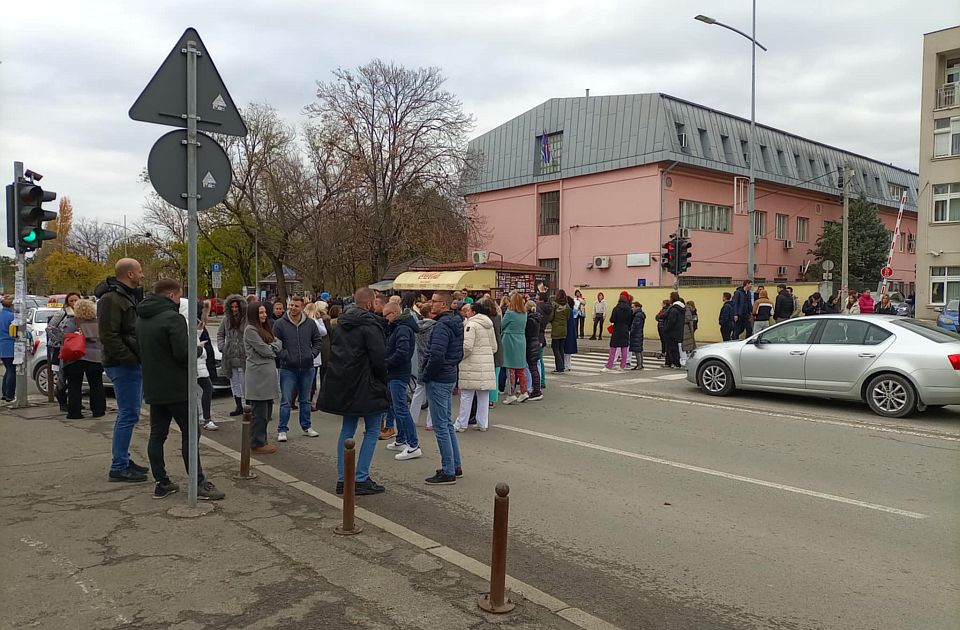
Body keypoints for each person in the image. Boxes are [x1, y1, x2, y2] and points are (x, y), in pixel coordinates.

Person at [137, 279, 224, 501]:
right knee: (190, 433)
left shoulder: (142, 318)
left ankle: (161, 481)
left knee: (157, 434)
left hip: (154, 386)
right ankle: (198, 481)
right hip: (177, 386)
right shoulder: (172, 318)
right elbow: (182, 353)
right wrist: (195, 350)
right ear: (172, 295)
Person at [318, 288, 389, 495]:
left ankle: (343, 477)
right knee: (373, 429)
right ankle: (360, 478)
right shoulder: (371, 325)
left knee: (347, 430)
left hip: (345, 381)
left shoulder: (341, 323)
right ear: (369, 304)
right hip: (367, 383)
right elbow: (379, 358)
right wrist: (384, 380)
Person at [96, 258, 148, 483]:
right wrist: (130, 359)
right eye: (139, 271)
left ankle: (123, 459)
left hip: (130, 362)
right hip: (122, 364)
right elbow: (109, 336)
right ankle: (119, 465)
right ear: (129, 274)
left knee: (129, 414)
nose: (142, 275)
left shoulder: (127, 296)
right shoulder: (111, 299)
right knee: (128, 414)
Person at [421, 291, 464, 485]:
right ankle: (454, 465)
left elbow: (436, 355)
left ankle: (448, 470)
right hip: (449, 375)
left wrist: (427, 374)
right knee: (446, 423)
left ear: (444, 305)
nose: (431, 304)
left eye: (435, 301)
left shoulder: (441, 327)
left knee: (441, 426)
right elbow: (458, 353)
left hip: (439, 378)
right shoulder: (455, 323)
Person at [273, 295, 323, 442]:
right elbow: (276, 344)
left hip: (307, 367)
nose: (293, 308)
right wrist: (285, 356)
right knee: (286, 400)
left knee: (305, 400)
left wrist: (312, 354)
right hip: (288, 368)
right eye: (291, 305)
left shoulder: (310, 323)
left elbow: (317, 341)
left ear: (302, 307)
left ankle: (306, 426)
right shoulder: (280, 324)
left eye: (296, 306)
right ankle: (282, 429)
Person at [383, 302, 421, 461]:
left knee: (401, 409)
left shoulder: (403, 329)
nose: (386, 319)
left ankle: (413, 445)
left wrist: (386, 362)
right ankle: (401, 439)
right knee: (396, 406)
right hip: (395, 372)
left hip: (398, 373)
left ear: (394, 313)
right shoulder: (399, 327)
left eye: (387, 315)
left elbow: (402, 353)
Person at [244, 302, 282, 455]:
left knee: (267, 413)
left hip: (268, 377)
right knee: (259, 413)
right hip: (258, 377)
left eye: (265, 312)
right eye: (260, 313)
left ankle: (262, 440)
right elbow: (266, 350)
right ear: (254, 314)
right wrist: (274, 348)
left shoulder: (265, 329)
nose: (264, 315)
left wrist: (273, 347)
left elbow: (279, 342)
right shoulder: (250, 330)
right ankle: (257, 442)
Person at [454, 301, 497, 431]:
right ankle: (482, 423)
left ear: (474, 312)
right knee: (483, 396)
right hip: (486, 363)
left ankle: (461, 423)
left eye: (468, 311)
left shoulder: (471, 325)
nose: (466, 313)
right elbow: (494, 347)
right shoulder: (489, 324)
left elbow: (467, 346)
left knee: (467, 395)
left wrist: (460, 357)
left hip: (471, 364)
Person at [61, 299, 106, 420]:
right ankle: (98, 410)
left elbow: (64, 336)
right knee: (96, 384)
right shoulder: (99, 322)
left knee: (74, 385)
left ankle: (74, 413)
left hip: (76, 356)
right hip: (96, 357)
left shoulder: (73, 322)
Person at [46, 291, 82, 411]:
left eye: (76, 300)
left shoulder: (82, 313)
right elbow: (50, 328)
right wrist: (61, 339)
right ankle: (62, 401)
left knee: (75, 378)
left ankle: (75, 402)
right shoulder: (62, 313)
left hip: (76, 349)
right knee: (61, 377)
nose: (74, 303)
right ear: (67, 302)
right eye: (71, 301)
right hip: (60, 349)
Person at [217, 294, 248, 417]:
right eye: (232, 307)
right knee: (234, 382)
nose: (234, 309)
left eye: (237, 307)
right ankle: (238, 405)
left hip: (243, 355)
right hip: (230, 356)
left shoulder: (246, 319)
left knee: (244, 381)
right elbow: (220, 334)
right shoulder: (226, 319)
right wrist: (222, 347)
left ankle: (248, 405)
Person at [410, 301, 437, 431]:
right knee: (432, 394)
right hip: (430, 361)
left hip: (421, 360)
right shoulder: (435, 326)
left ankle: (412, 418)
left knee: (418, 392)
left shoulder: (417, 327)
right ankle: (430, 422)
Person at [500, 292, 528, 404]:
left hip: (509, 339)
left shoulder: (510, 313)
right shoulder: (524, 313)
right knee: (521, 368)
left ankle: (511, 393)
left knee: (510, 367)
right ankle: (524, 391)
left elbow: (502, 325)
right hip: (521, 339)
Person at [196, 302, 218, 431]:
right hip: (198, 365)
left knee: (201, 391)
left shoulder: (200, 327)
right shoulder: (194, 325)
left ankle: (202, 416)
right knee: (205, 389)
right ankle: (205, 418)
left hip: (201, 365)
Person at [603, 292, 632, 372]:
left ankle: (609, 365)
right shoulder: (629, 309)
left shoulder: (616, 308)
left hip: (617, 329)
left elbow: (612, 319)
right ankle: (622, 366)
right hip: (625, 329)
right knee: (624, 348)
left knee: (613, 348)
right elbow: (630, 321)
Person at [524, 300, 544, 400]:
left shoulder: (530, 320)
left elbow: (527, 333)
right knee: (534, 367)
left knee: (532, 368)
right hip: (536, 342)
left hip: (531, 344)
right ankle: (537, 388)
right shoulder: (536, 318)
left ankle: (536, 391)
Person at [549, 290, 570, 374]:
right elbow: (568, 318)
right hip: (564, 329)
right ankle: (562, 366)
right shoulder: (567, 306)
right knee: (561, 348)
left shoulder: (555, 305)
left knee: (555, 348)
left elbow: (551, 317)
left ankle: (559, 367)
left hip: (556, 329)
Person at [535, 292, 553, 388]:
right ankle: (542, 380)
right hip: (542, 335)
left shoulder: (538, 308)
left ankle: (537, 382)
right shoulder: (548, 308)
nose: (535, 300)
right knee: (540, 360)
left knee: (535, 361)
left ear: (541, 300)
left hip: (536, 335)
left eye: (537, 299)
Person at [664, 292, 685, 369]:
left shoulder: (674, 309)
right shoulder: (681, 308)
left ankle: (675, 363)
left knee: (672, 348)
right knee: (673, 347)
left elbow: (671, 321)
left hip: (672, 331)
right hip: (678, 330)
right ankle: (671, 363)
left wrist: (666, 328)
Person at [563, 295, 579, 371]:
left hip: (567, 331)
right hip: (571, 332)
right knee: (568, 351)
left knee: (565, 349)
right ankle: (568, 365)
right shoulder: (571, 311)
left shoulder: (567, 311)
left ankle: (566, 365)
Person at [628, 302, 645, 370]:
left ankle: (639, 365)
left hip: (636, 334)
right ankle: (640, 364)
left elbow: (635, 325)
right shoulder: (640, 314)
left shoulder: (637, 315)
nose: (632, 309)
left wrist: (631, 332)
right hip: (639, 333)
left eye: (633, 307)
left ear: (637, 307)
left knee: (637, 350)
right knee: (639, 349)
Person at [681, 300, 698, 365]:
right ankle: (691, 351)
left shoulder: (692, 311)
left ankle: (690, 352)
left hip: (690, 327)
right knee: (691, 340)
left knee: (689, 340)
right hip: (692, 326)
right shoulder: (693, 311)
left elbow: (693, 319)